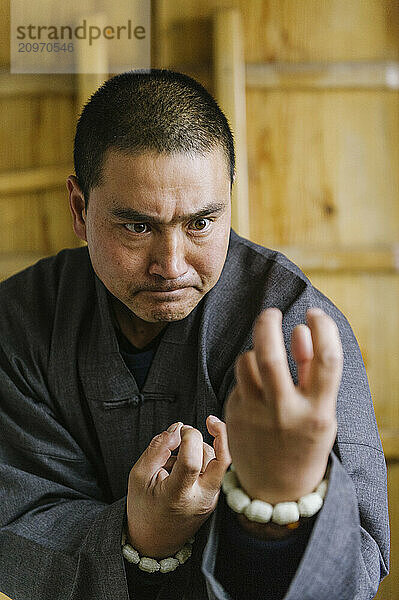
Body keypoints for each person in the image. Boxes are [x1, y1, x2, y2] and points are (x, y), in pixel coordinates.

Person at [0, 69, 389, 600]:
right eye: (137, 226)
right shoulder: (20, 323)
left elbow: (361, 559)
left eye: (201, 223)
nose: (172, 265)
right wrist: (143, 538)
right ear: (79, 208)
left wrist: (278, 508)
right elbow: (17, 521)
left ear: (229, 200)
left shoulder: (292, 330)